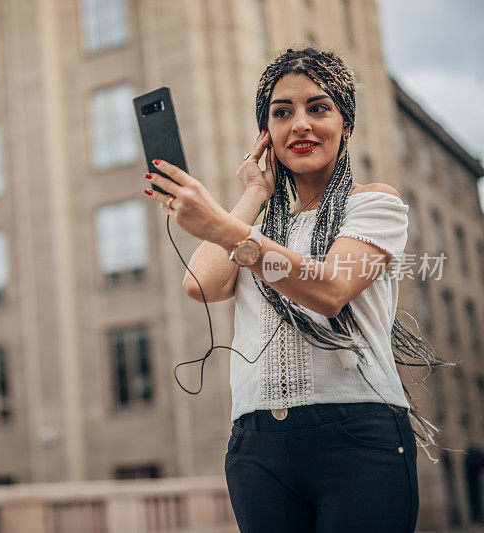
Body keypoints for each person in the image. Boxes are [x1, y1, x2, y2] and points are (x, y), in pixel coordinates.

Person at [142, 46, 449, 533]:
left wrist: (225, 229)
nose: (300, 124)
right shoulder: (258, 225)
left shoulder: (373, 204)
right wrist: (252, 194)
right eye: (282, 113)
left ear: (346, 124)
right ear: (266, 136)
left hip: (358, 436)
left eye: (318, 107)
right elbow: (200, 284)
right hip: (257, 443)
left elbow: (330, 289)